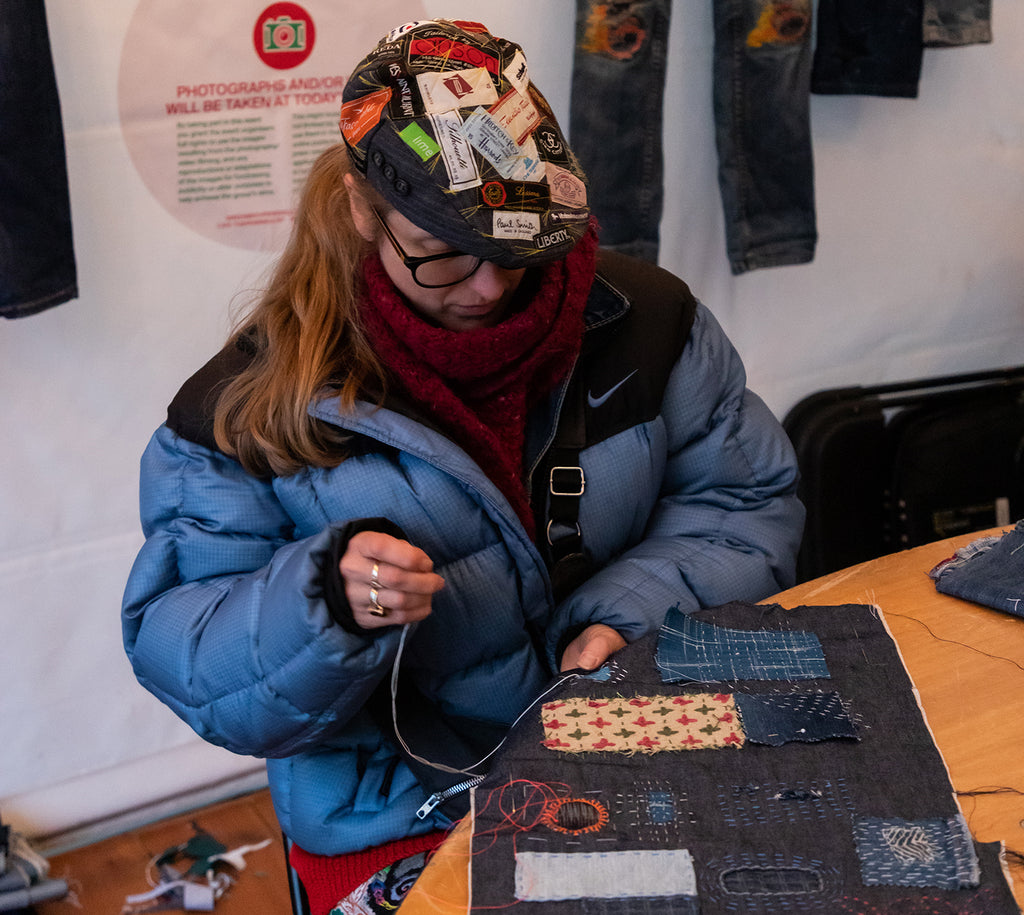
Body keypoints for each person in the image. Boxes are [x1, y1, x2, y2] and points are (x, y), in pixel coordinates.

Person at [121, 18, 804, 915]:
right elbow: (201, 669)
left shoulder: (652, 321)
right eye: (441, 254)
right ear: (363, 210)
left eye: (513, 245)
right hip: (400, 810)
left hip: (637, 745)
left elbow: (745, 503)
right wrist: (324, 604)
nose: (485, 286)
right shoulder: (244, 411)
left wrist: (632, 618)